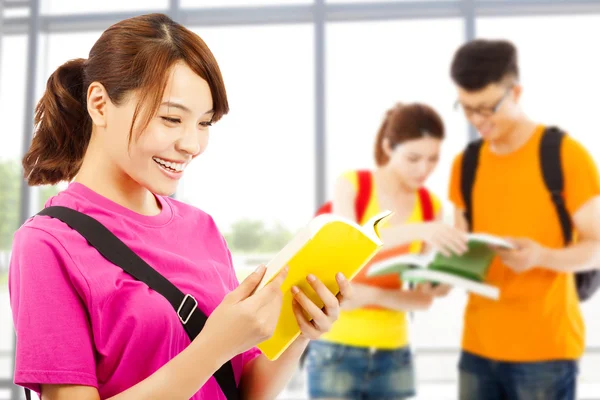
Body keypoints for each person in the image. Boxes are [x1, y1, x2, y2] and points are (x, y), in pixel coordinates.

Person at [8, 13, 353, 400]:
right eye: (172, 118)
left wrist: (297, 332)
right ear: (100, 104)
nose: (192, 144)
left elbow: (244, 390)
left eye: (204, 124)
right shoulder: (46, 244)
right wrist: (214, 346)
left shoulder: (200, 227)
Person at [448, 38, 600, 400]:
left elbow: (596, 248)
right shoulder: (465, 164)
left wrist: (541, 256)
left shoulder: (564, 155)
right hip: (477, 349)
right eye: (467, 109)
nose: (476, 121)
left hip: (545, 352)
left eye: (487, 109)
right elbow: (464, 246)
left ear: (516, 91)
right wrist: (438, 270)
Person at [305, 102, 469, 400]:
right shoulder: (354, 185)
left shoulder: (431, 207)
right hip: (335, 352)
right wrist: (420, 231)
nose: (424, 169)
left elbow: (421, 299)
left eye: (433, 159)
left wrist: (442, 281)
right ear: (388, 147)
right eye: (413, 158)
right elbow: (350, 247)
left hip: (395, 356)